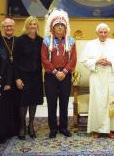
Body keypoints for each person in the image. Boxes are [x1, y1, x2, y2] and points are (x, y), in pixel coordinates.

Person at [80, 23, 114, 139]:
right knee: (98, 102)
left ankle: (110, 128)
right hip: (97, 76)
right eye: (101, 32)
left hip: (111, 75)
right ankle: (97, 129)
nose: (103, 34)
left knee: (111, 101)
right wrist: (96, 61)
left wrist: (110, 62)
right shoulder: (90, 44)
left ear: (108, 32)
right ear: (97, 33)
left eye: (105, 32)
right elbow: (84, 60)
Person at [42, 9, 77, 138]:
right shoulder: (46, 41)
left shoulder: (71, 41)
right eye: (57, 25)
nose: (60, 27)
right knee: (51, 102)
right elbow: (44, 59)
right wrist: (56, 72)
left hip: (66, 75)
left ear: (65, 27)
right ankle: (53, 128)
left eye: (62, 25)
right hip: (51, 75)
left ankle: (63, 127)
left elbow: (73, 58)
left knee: (64, 102)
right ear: (53, 27)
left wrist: (65, 71)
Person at [13, 16, 44, 140]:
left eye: (35, 24)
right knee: (23, 102)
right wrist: (17, 78)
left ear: (37, 26)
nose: (32, 26)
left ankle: (31, 125)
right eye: (30, 24)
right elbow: (14, 61)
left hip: (36, 75)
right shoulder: (20, 40)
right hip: (23, 75)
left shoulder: (41, 41)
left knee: (33, 101)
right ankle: (22, 126)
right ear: (26, 26)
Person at [1, 18, 20, 138]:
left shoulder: (18, 40)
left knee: (16, 104)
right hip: (3, 78)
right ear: (3, 28)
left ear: (14, 27)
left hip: (17, 76)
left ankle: (17, 129)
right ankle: (5, 130)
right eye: (6, 26)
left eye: (11, 26)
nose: (8, 28)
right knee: (5, 105)